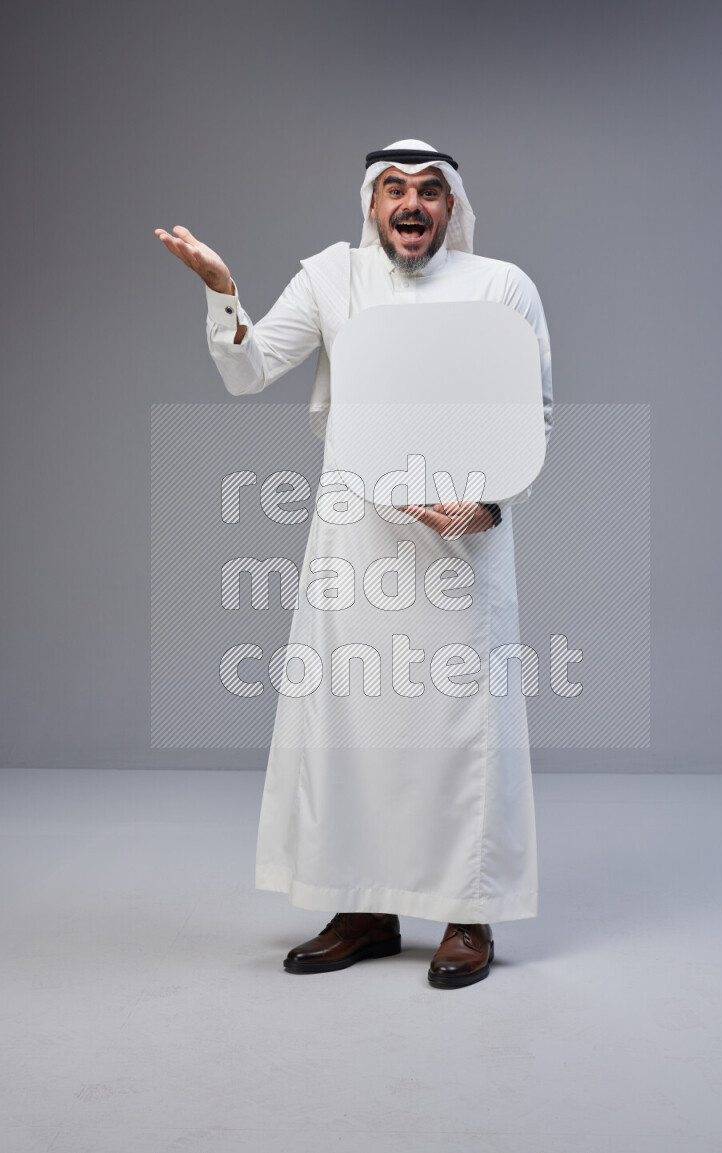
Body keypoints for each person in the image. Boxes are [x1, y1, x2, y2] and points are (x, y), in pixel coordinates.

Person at [155, 139, 553, 989]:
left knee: (457, 731)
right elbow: (251, 368)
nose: (413, 205)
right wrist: (223, 290)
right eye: (396, 190)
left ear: (453, 207)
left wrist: (487, 506)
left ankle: (467, 915)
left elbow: (537, 412)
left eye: (431, 192)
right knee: (353, 725)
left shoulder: (502, 288)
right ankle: (364, 907)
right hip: (356, 538)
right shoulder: (331, 278)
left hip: (460, 549)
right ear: (372, 202)